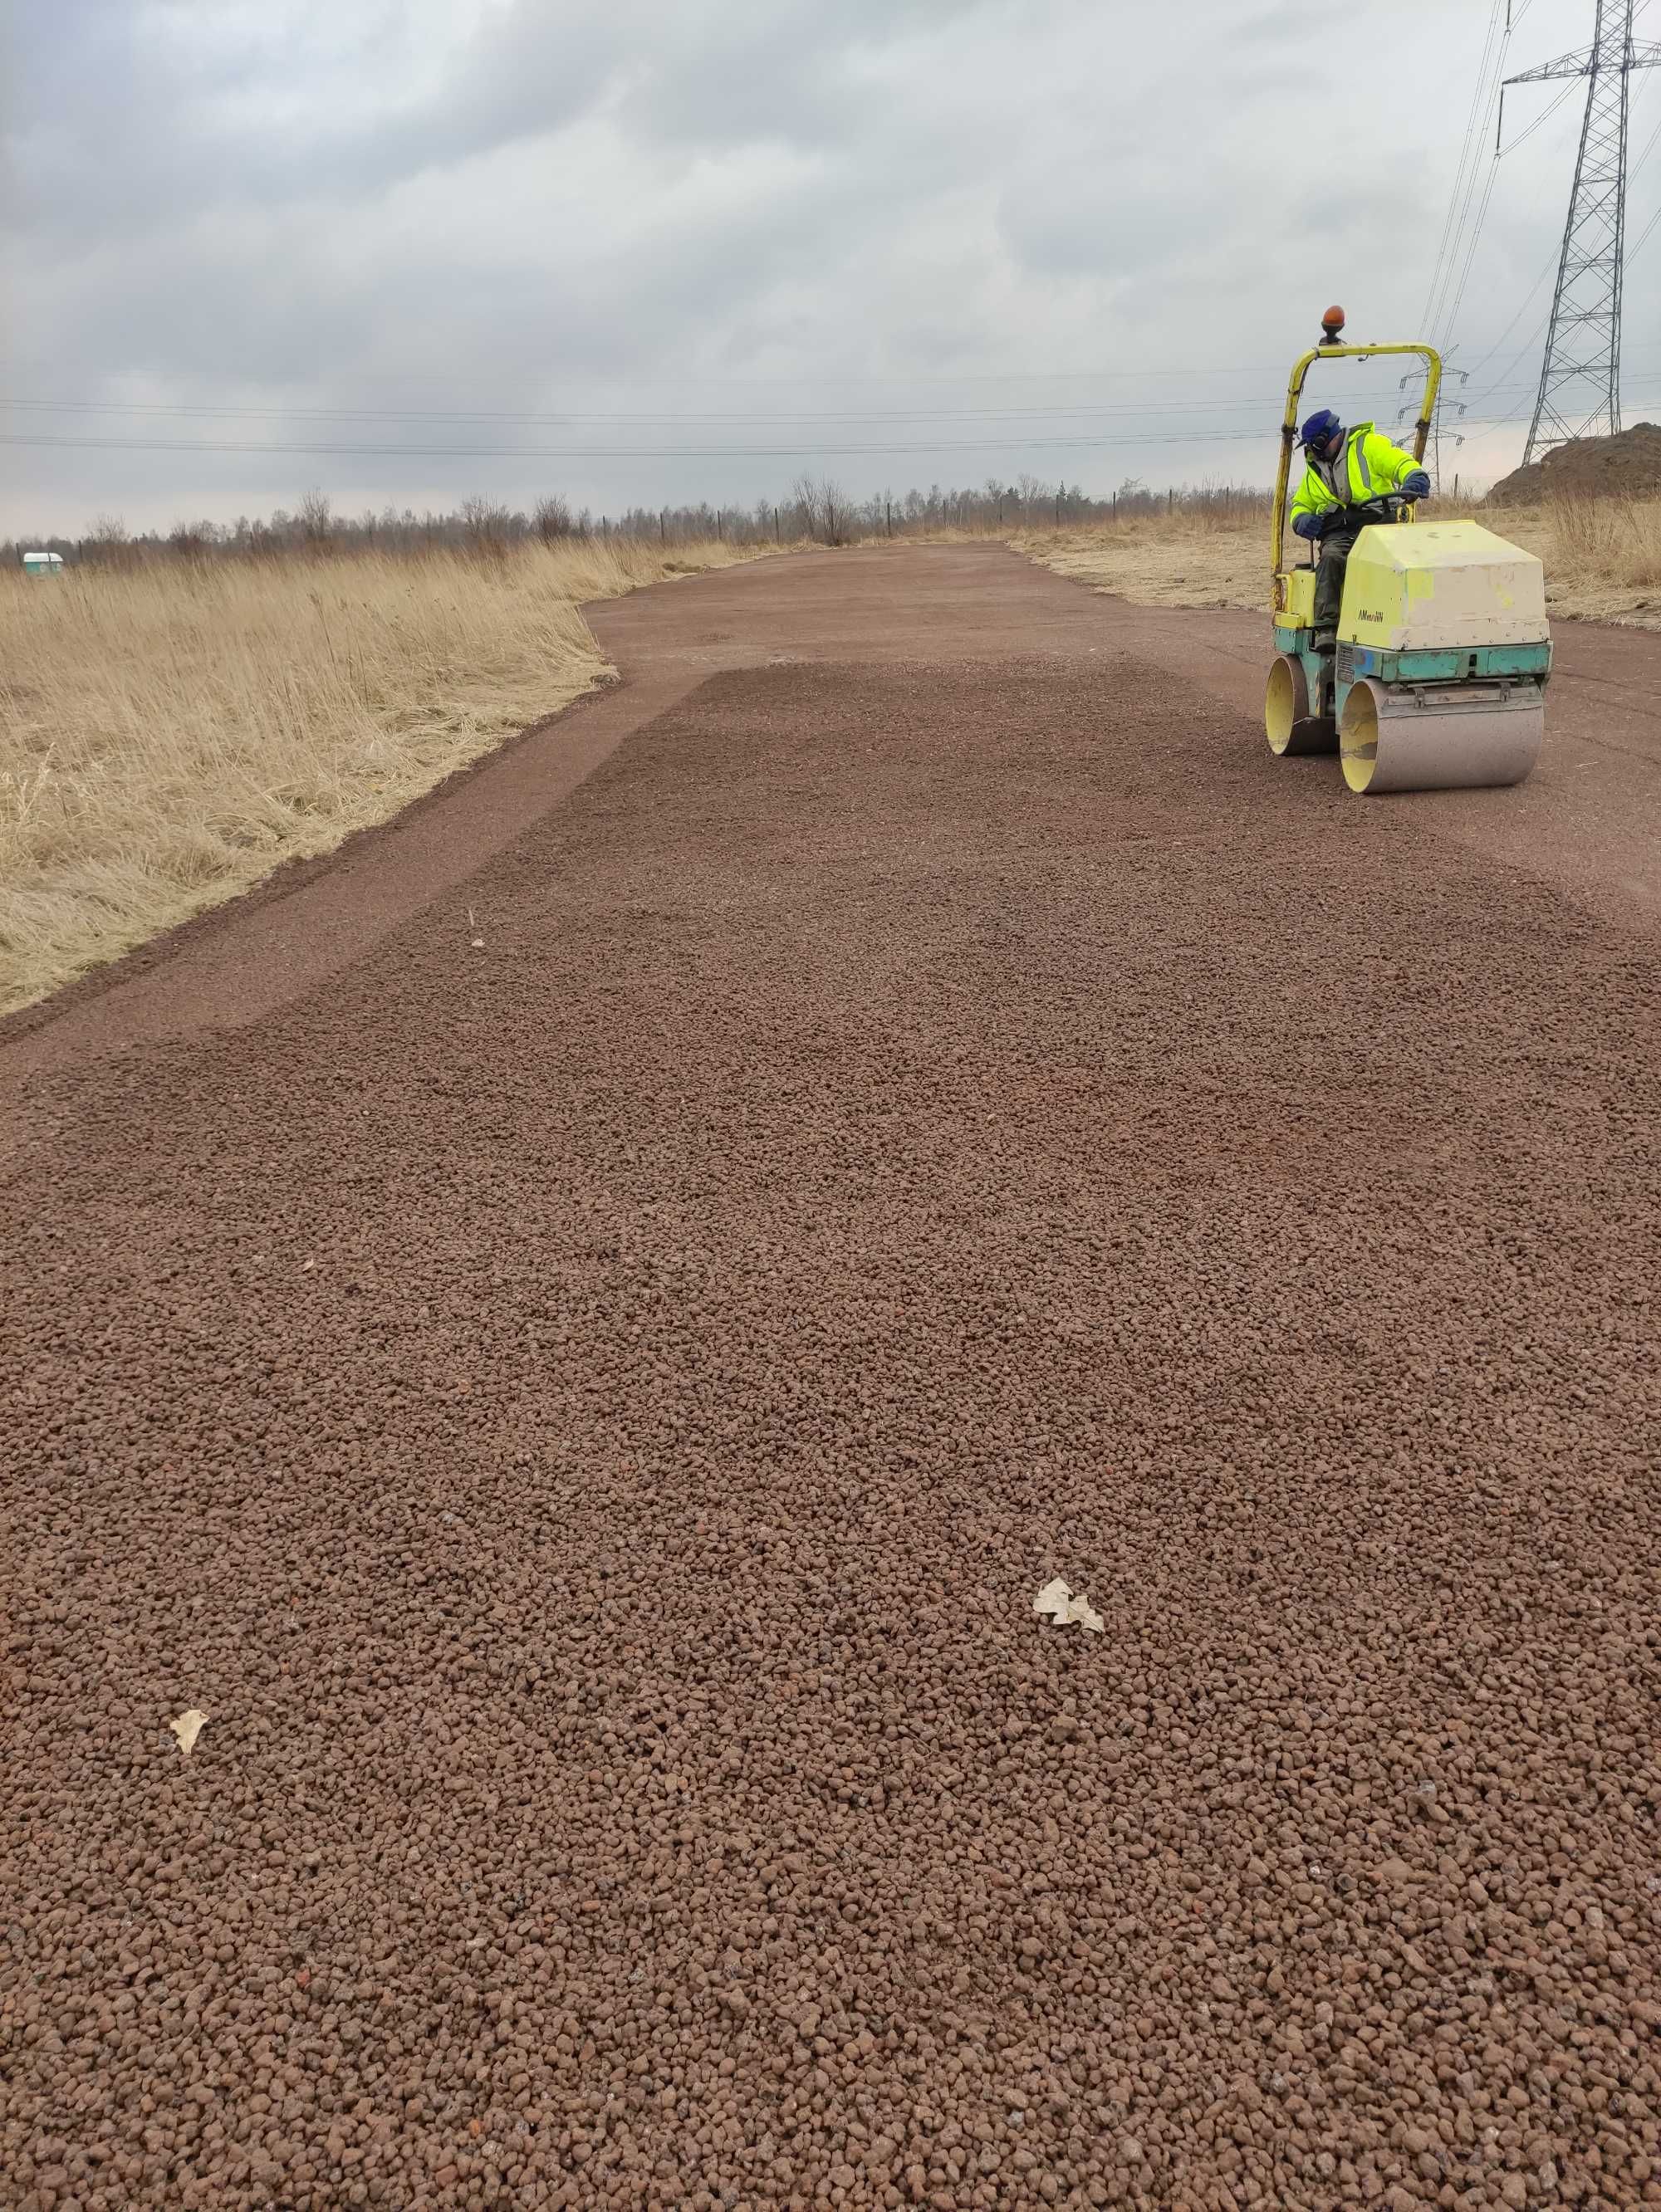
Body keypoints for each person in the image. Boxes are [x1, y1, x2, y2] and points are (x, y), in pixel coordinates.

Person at [1290, 408, 1432, 653]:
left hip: (1380, 523)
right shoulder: (1315, 469)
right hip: (1339, 531)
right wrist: (1301, 519)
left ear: (1325, 440)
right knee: (1332, 558)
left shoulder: (1368, 446)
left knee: (1401, 564)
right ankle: (1327, 628)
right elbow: (1301, 503)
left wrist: (1415, 477)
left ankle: (1415, 623)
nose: (1310, 451)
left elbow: (1400, 463)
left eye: (1314, 445)